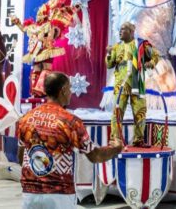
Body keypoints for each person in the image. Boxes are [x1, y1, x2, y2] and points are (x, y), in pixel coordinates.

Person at [17, 72, 123, 209]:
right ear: (63, 90)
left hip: (29, 192)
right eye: (70, 88)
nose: (71, 93)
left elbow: (21, 157)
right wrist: (116, 149)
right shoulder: (70, 122)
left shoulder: (26, 118)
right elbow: (95, 155)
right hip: (59, 194)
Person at [106, 22, 159, 146]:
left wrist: (151, 63)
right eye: (119, 29)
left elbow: (155, 55)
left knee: (140, 111)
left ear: (131, 32)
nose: (120, 32)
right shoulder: (116, 47)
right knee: (117, 111)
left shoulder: (141, 45)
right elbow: (109, 65)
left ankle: (138, 140)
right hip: (121, 83)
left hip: (137, 82)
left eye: (123, 29)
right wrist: (109, 53)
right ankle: (115, 140)